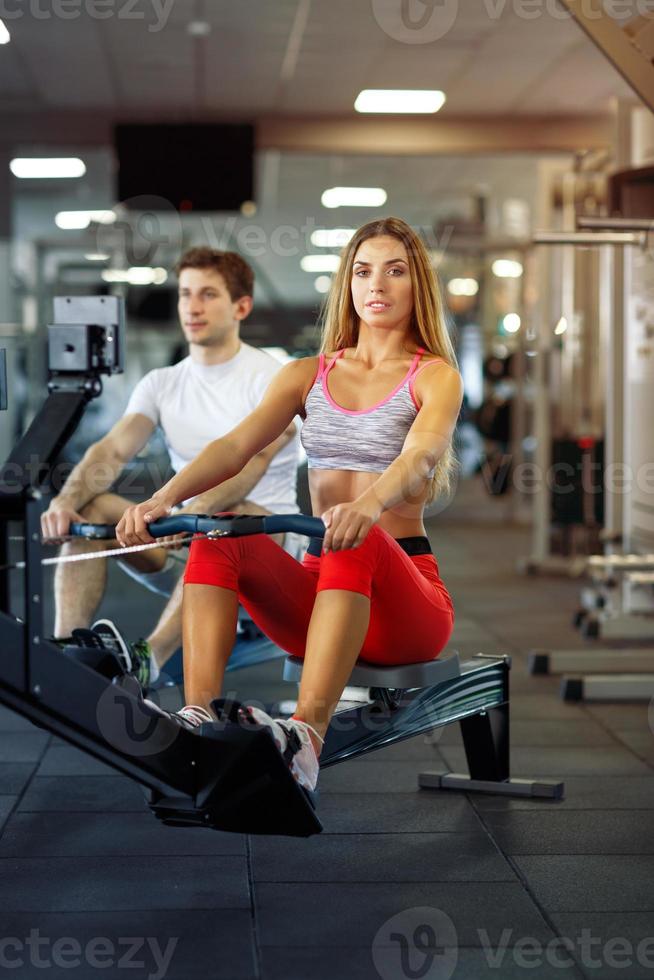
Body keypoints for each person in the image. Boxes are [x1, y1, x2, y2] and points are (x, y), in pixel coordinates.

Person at [116, 218, 464, 792]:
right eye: (363, 271)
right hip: (319, 596)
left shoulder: (435, 376)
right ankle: (197, 715)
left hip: (407, 608)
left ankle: (305, 738)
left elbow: (421, 459)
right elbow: (234, 446)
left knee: (351, 535)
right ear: (347, 286)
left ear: (416, 286)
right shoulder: (308, 374)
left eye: (394, 271)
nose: (377, 284)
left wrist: (369, 505)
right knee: (221, 533)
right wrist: (160, 499)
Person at [41, 247, 299, 684]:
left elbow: (252, 462)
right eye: (184, 294)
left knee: (230, 518)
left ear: (242, 306)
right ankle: (67, 653)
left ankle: (151, 656)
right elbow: (111, 450)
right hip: (183, 540)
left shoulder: (273, 379)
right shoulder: (162, 383)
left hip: (263, 547)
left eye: (208, 294)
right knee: (93, 508)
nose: (192, 307)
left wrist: (186, 512)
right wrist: (65, 502)